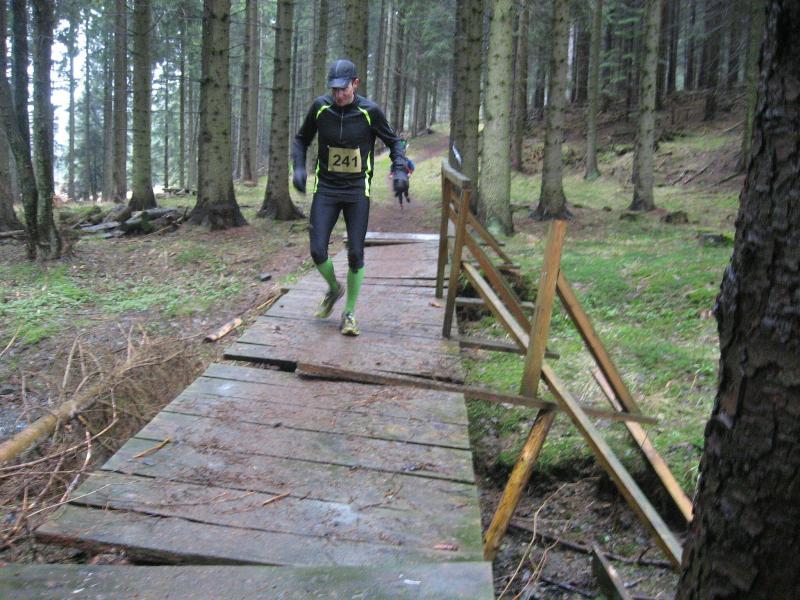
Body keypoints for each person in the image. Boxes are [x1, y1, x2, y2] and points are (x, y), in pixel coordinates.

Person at [291, 59, 410, 336]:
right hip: (327, 189)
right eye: (334, 90)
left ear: (355, 84)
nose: (338, 95)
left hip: (357, 190)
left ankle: (349, 313)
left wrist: (400, 170)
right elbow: (301, 139)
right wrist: (298, 167)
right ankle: (334, 289)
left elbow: (395, 142)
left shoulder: (370, 112)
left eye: (343, 89)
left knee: (355, 253)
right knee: (317, 250)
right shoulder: (320, 108)